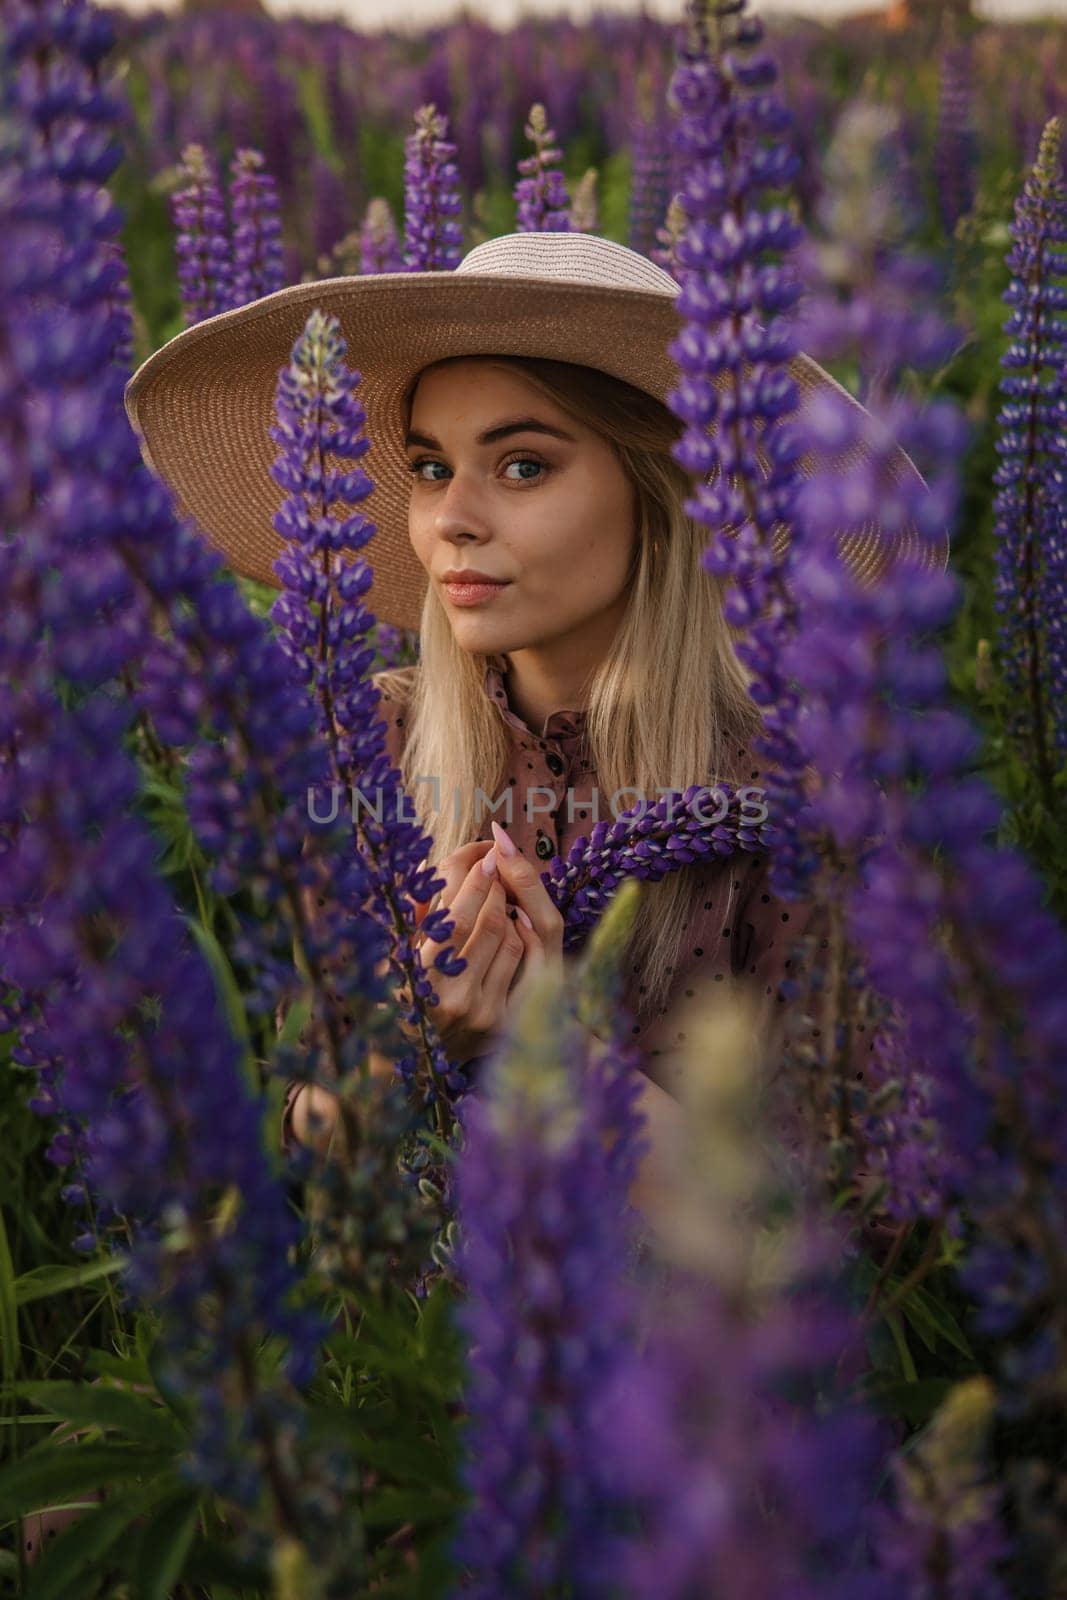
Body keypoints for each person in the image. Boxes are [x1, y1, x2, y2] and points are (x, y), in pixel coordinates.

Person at [124, 231, 948, 1232]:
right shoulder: (370, 739)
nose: (451, 519)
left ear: (661, 499)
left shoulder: (797, 786)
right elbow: (302, 1142)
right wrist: (401, 1049)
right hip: (406, 1359)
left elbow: (835, 1240)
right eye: (430, 466)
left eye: (520, 465)